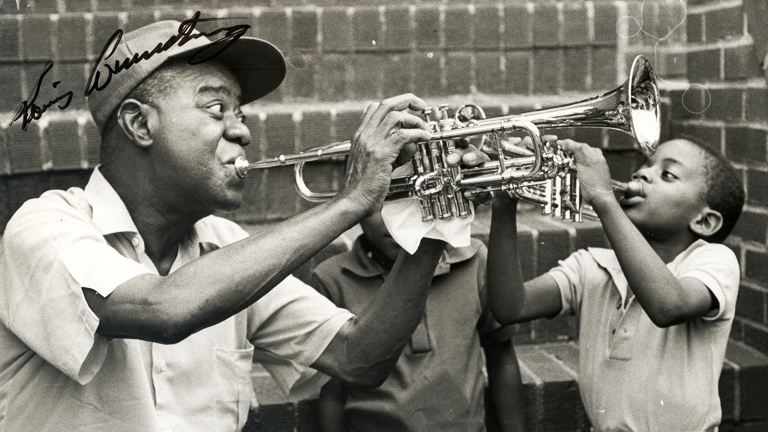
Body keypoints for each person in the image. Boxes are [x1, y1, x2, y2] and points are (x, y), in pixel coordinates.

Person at [0, 19, 489, 432]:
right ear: (140, 125)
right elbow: (162, 308)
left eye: (240, 111)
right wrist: (353, 200)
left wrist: (432, 225)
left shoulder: (229, 247)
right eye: (216, 108)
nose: (243, 130)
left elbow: (358, 358)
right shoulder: (44, 227)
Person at [487, 137, 744, 431]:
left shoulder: (715, 261)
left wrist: (603, 199)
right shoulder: (591, 266)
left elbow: (668, 306)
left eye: (667, 174)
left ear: (705, 222)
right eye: (645, 165)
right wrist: (503, 205)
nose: (641, 173)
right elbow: (510, 307)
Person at [307, 209, 527, 432]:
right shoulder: (331, 280)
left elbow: (502, 359)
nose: (394, 217)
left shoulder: (474, 260)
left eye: (406, 198)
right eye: (380, 201)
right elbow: (331, 389)